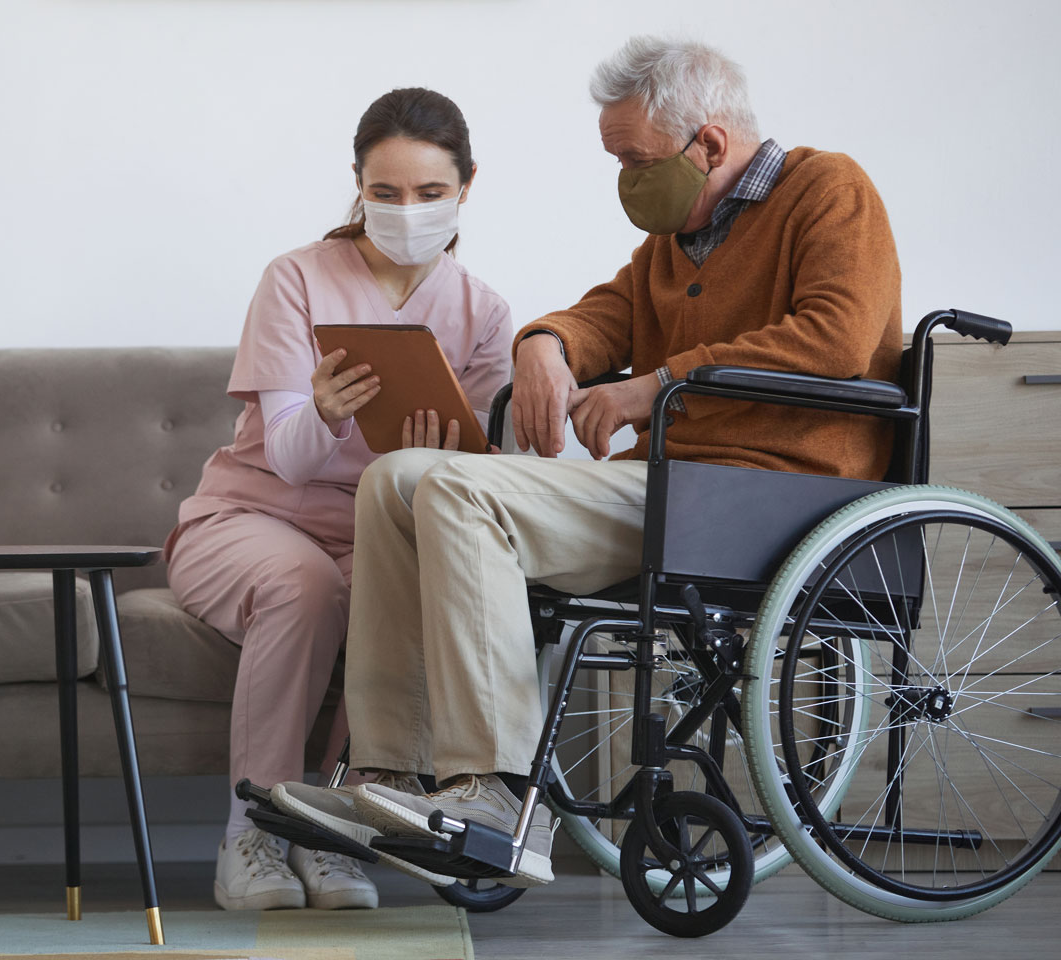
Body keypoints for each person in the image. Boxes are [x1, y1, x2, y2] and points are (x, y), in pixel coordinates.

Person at [271, 35, 903, 888]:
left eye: (635, 160)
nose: (627, 181)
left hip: (772, 493)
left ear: (708, 144)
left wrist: (655, 386)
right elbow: (600, 315)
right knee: (396, 478)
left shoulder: (829, 191)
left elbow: (835, 339)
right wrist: (543, 344)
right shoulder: (677, 240)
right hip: (674, 490)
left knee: (458, 490)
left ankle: (492, 790)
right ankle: (390, 772)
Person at [164, 87, 513, 911]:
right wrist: (322, 412)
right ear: (357, 185)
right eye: (385, 193)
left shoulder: (484, 313)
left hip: (379, 529)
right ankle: (252, 832)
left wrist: (437, 455)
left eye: (429, 194)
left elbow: (494, 465)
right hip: (252, 517)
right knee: (307, 584)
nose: (406, 212)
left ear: (467, 186)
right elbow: (284, 458)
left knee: (400, 593)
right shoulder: (295, 280)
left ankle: (336, 831)